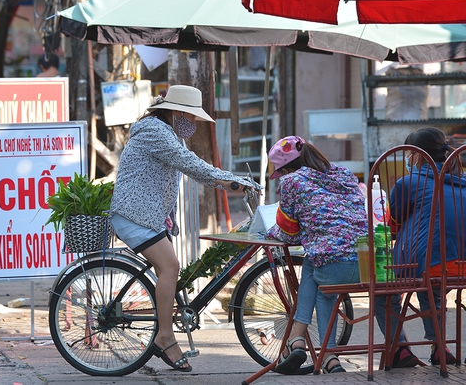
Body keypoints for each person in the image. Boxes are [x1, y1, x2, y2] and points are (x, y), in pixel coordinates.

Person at [109, 85, 251, 372]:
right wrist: (228, 180)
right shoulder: (154, 130)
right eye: (193, 117)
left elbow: (189, 167)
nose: (195, 123)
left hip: (147, 215)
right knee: (170, 267)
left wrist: (224, 181)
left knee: (168, 271)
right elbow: (191, 165)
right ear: (176, 112)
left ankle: (166, 331)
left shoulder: (167, 132)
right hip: (133, 215)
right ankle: (164, 336)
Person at [265, 136, 367, 374]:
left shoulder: (292, 181)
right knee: (314, 262)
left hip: (335, 267)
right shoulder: (345, 174)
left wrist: (269, 230)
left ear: (287, 168)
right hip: (367, 262)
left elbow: (289, 235)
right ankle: (327, 358)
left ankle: (302, 340)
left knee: (320, 277)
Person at [386, 127, 464, 366]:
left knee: (387, 289)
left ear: (417, 156)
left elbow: (395, 222)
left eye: (409, 156)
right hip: (461, 265)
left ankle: (401, 349)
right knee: (432, 284)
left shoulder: (408, 182)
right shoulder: (462, 183)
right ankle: (439, 347)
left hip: (433, 266)